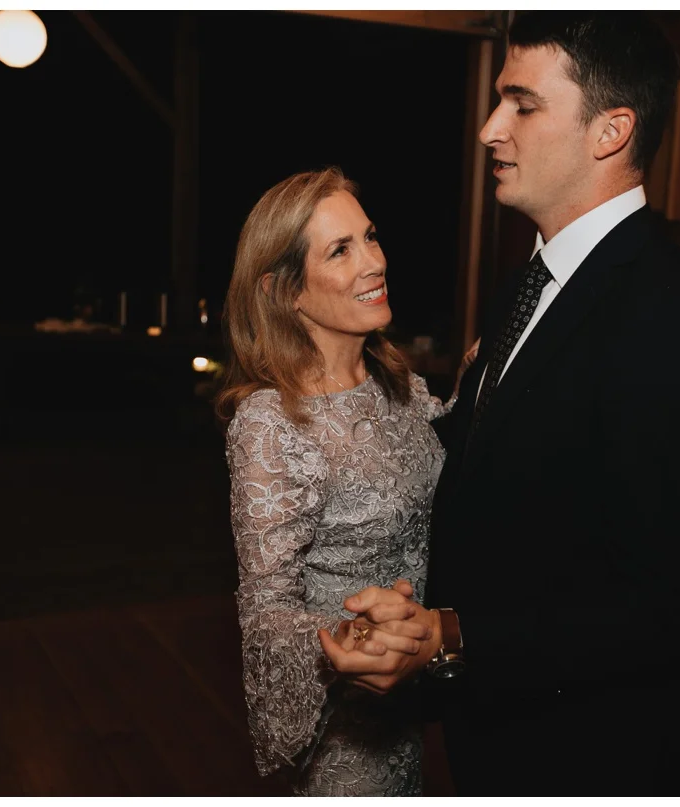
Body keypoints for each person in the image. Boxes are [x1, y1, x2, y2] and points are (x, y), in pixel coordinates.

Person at [318, 12, 680, 795]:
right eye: (498, 100)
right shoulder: (531, 282)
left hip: (594, 756)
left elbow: (671, 605)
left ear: (610, 130)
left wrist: (452, 635)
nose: (491, 128)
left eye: (522, 103)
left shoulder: (672, 320)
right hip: (499, 735)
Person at [217, 167, 476, 795]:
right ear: (285, 291)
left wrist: (482, 384)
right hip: (349, 730)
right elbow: (266, 611)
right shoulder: (271, 422)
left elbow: (439, 466)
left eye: (371, 237)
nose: (375, 262)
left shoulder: (398, 384)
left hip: (410, 707)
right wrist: (358, 636)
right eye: (340, 250)